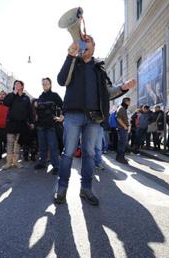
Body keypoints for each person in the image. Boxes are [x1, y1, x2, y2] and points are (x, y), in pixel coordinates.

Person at [55, 35, 135, 206]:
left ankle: (86, 189)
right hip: (73, 115)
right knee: (68, 153)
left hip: (94, 117)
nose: (84, 43)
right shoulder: (73, 63)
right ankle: (61, 189)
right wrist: (70, 56)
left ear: (93, 46)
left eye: (87, 40)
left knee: (90, 155)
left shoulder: (100, 69)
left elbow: (108, 92)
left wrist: (123, 87)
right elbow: (61, 80)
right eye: (81, 41)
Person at [34, 77, 63, 174]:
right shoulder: (40, 97)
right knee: (42, 146)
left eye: (47, 83)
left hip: (51, 125)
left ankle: (56, 166)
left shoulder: (54, 95)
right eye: (43, 83)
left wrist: (61, 117)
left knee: (53, 146)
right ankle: (42, 163)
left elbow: (63, 106)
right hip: (41, 125)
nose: (45, 84)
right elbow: (37, 110)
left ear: (50, 84)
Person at [2, 80, 34, 169]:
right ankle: (8, 162)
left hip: (21, 124)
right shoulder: (11, 95)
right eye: (15, 84)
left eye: (19, 84)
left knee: (18, 144)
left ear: (22, 86)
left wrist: (31, 122)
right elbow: (5, 102)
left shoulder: (26, 98)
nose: (17, 85)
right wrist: (14, 93)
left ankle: (16, 162)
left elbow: (30, 111)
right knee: (10, 144)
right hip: (11, 123)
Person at [116, 97, 131, 163]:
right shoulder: (122, 108)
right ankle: (120, 158)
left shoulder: (122, 108)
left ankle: (120, 157)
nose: (130, 103)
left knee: (122, 143)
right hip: (122, 128)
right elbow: (118, 119)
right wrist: (125, 126)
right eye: (129, 102)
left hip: (122, 128)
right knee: (122, 143)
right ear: (126, 102)